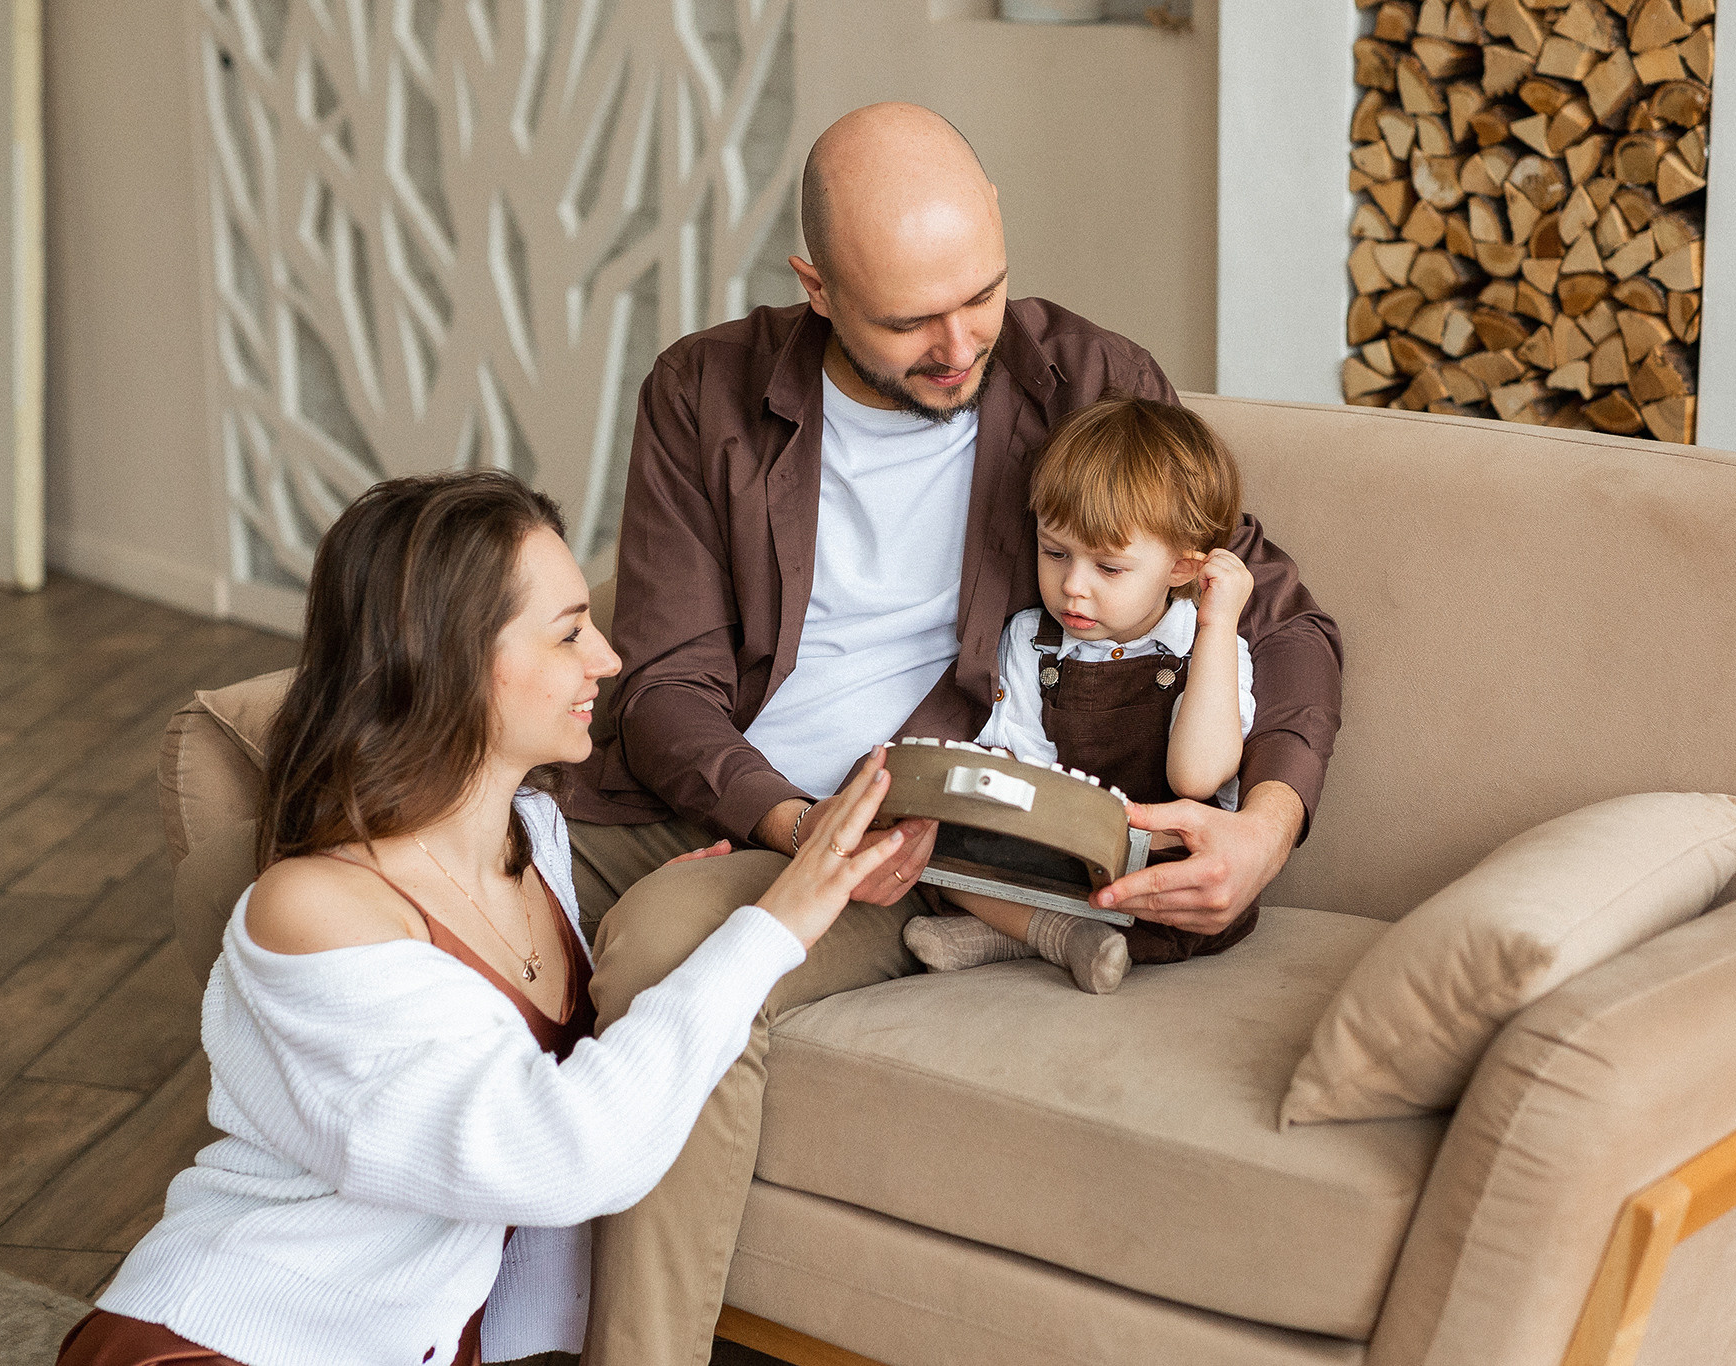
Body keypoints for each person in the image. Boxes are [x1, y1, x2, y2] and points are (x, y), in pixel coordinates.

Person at [554, 103, 1344, 1365]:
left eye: (981, 293)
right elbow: (662, 686)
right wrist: (783, 821)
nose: (959, 340)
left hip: (913, 831)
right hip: (737, 795)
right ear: (814, 287)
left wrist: (1265, 828)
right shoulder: (701, 391)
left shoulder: (1087, 382)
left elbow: (1280, 615)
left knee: (662, 962)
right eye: (911, 318)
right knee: (364, 864)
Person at [56, 471, 906, 1366]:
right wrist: (774, 927)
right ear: (451, 656)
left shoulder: (530, 842)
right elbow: (559, 1154)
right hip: (232, 1338)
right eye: (571, 631)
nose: (608, 660)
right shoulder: (313, 907)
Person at [903, 394, 1262, 994]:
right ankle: (1057, 933)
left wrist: (1218, 625)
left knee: (1181, 900)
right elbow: (1016, 757)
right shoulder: (1031, 640)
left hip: (1155, 869)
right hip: (1054, 851)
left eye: (1109, 568)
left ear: (1181, 569)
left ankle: (1021, 932)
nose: (1073, 587)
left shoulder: (1211, 649)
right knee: (924, 843)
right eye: (1056, 552)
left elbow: (1198, 779)